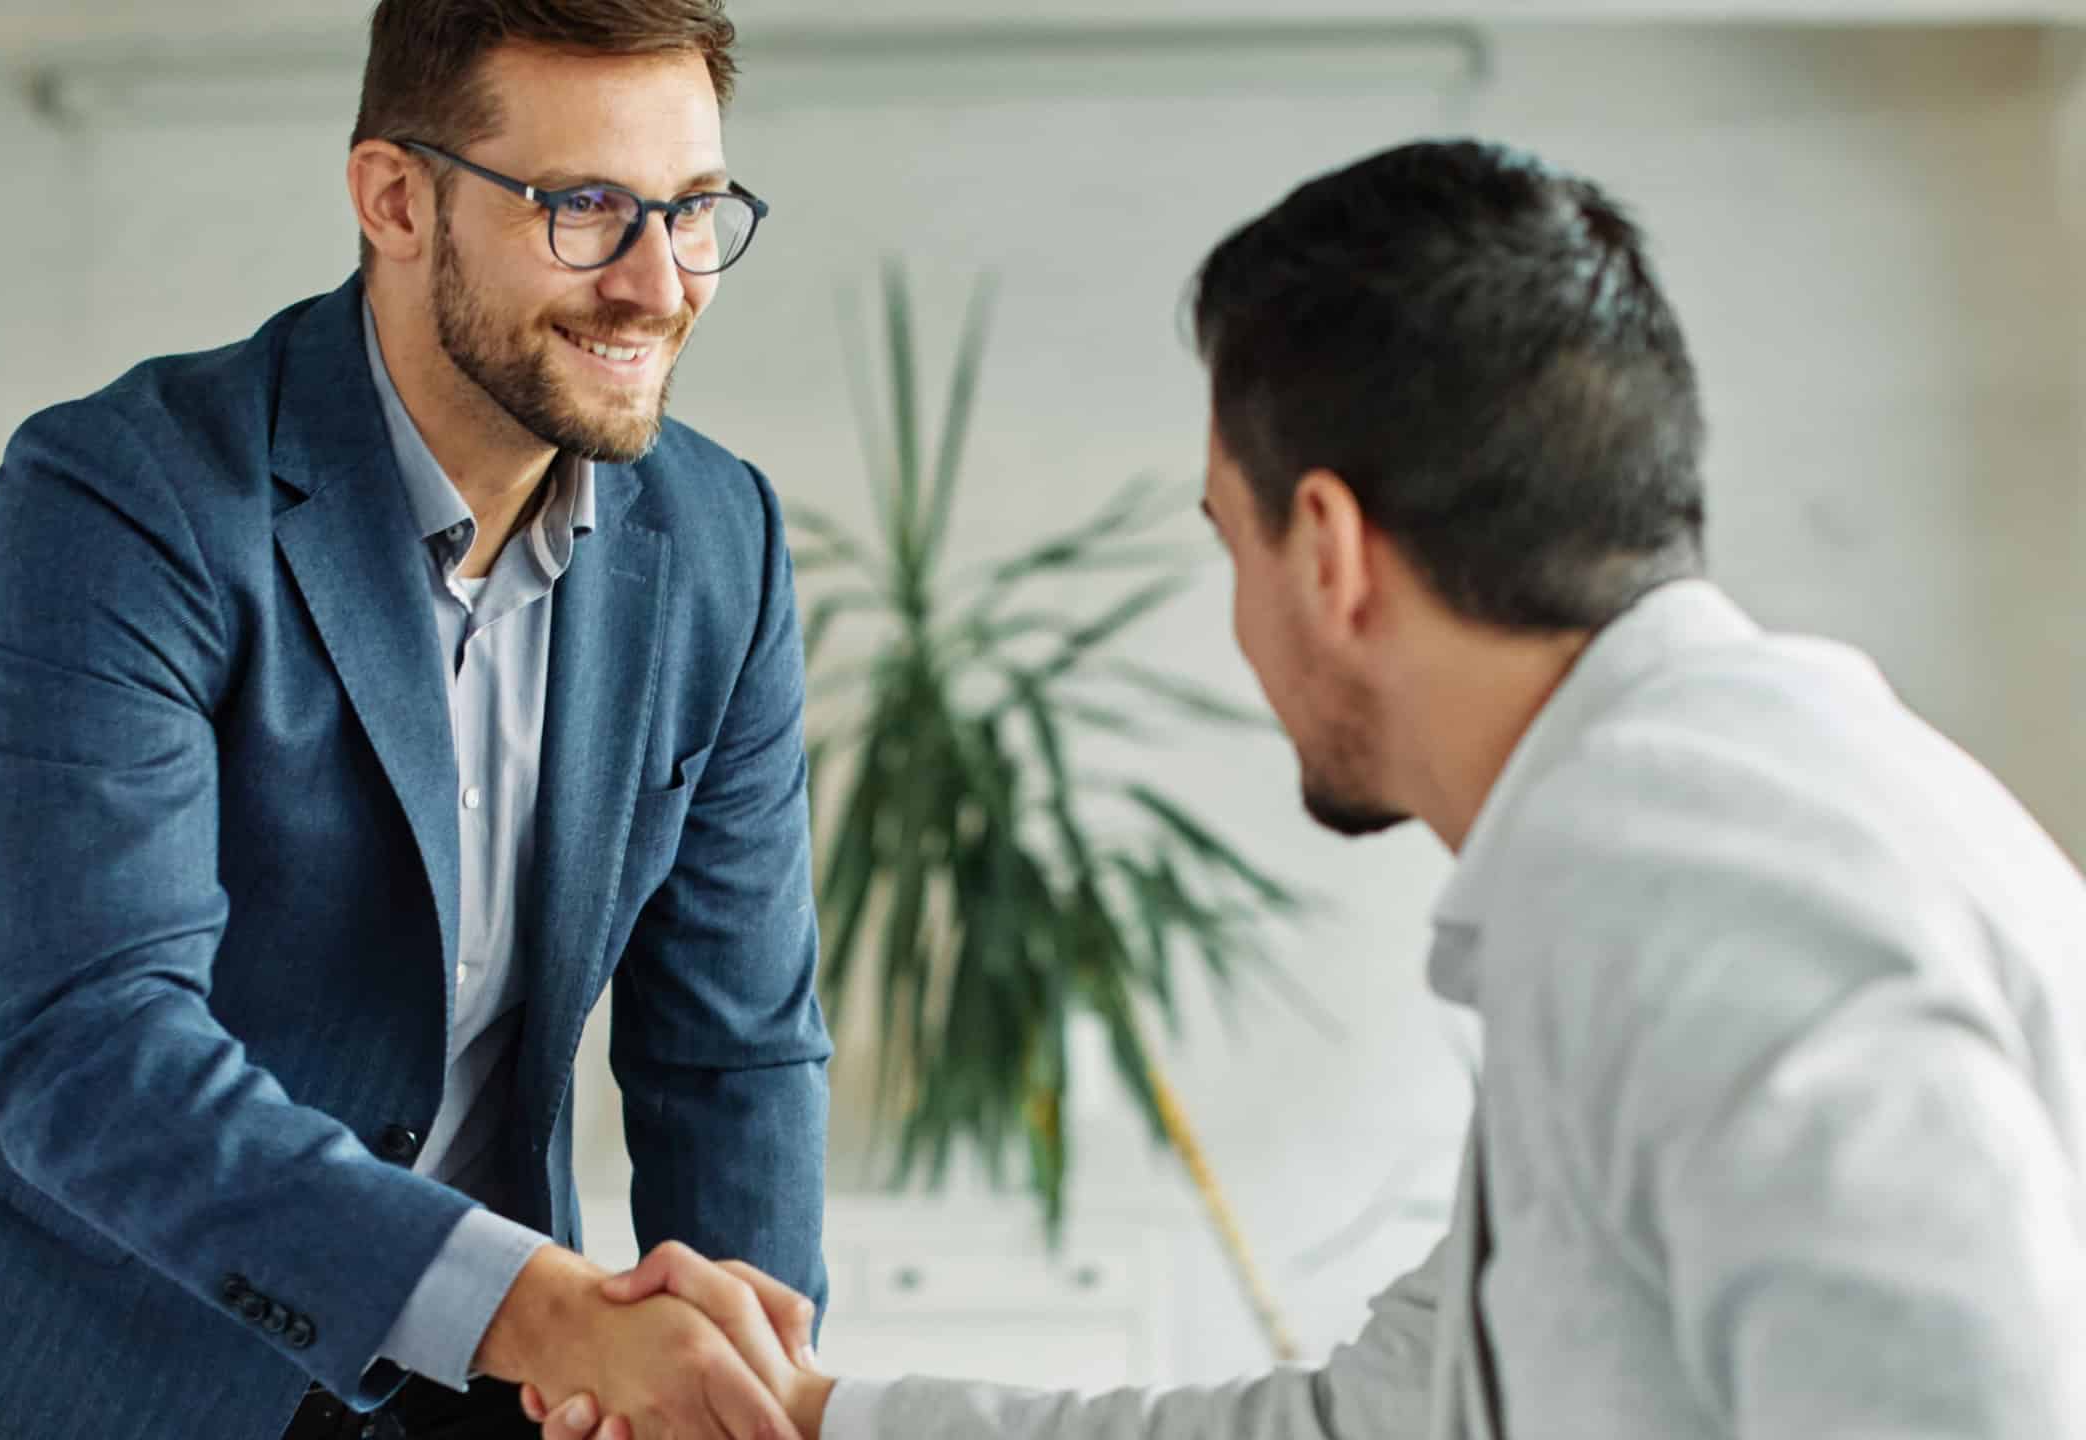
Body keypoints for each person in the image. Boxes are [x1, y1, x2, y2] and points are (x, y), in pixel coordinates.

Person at [521, 139, 2086, 1440]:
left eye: (1231, 537)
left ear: (1327, 552)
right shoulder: (1678, 837)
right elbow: (1371, 1425)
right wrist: (811, 1420)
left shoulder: (1719, 904)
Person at [0, 2, 832, 1436]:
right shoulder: (126, 495)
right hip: (93, 1366)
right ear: (396, 200)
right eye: (588, 208)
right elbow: (96, 1052)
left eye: (694, 209)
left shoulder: (723, 541)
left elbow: (732, 1051)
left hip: (472, 1396)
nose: (658, 282)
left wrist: (742, 1392)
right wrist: (540, 1311)